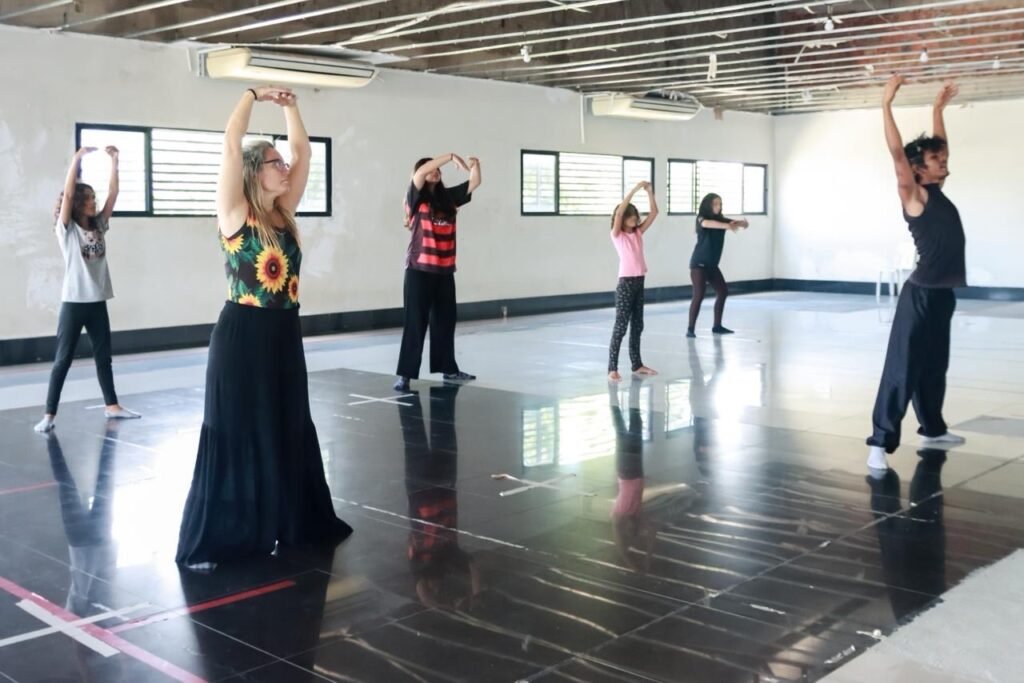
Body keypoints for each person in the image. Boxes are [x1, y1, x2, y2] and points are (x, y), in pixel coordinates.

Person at [176, 86, 352, 569]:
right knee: (239, 431)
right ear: (255, 172)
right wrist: (251, 95)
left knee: (286, 426)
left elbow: (305, 153)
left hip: (284, 335)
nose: (285, 167)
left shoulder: (283, 213)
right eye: (275, 162)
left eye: (282, 162)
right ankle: (228, 536)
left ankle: (292, 521)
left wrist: (291, 107)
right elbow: (231, 145)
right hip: (243, 337)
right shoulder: (236, 213)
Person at [867, 77, 965, 473]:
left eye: (942, 157)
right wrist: (886, 105)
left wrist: (938, 110)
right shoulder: (915, 195)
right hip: (919, 296)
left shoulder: (936, 189)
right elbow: (897, 155)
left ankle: (933, 429)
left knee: (934, 365)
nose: (943, 161)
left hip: (943, 294)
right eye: (935, 159)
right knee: (903, 368)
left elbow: (942, 147)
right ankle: (880, 442)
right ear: (917, 170)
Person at [34, 146, 140, 433]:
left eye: (94, 198)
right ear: (79, 204)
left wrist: (115, 161)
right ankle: (49, 415)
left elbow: (113, 194)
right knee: (63, 360)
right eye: (89, 199)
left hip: (97, 301)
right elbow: (68, 195)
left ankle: (112, 406)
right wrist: (76, 160)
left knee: (104, 358)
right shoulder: (67, 231)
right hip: (74, 302)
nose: (94, 202)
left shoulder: (99, 226)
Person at [394, 153, 482, 392]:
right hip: (419, 270)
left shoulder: (448, 198)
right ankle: (405, 375)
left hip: (444, 270)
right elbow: (421, 173)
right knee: (415, 323)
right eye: (430, 168)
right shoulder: (414, 197)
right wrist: (450, 156)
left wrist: (474, 166)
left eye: (437, 168)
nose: (435, 171)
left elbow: (474, 182)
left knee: (445, 321)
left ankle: (449, 369)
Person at [608, 181, 659, 382]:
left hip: (639, 281)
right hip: (626, 284)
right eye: (631, 215)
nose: (635, 218)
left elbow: (654, 213)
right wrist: (634, 191)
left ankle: (637, 364)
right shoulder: (617, 235)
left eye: (635, 215)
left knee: (638, 325)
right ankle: (612, 368)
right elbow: (619, 213)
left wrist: (649, 193)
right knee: (621, 326)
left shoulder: (637, 232)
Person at [687, 193, 749, 338]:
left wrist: (743, 223)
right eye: (715, 204)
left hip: (712, 266)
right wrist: (727, 226)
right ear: (708, 205)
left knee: (723, 292)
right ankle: (690, 329)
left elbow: (737, 224)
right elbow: (707, 224)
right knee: (699, 295)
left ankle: (717, 326)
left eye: (720, 204)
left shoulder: (722, 220)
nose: (718, 207)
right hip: (698, 265)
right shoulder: (701, 218)